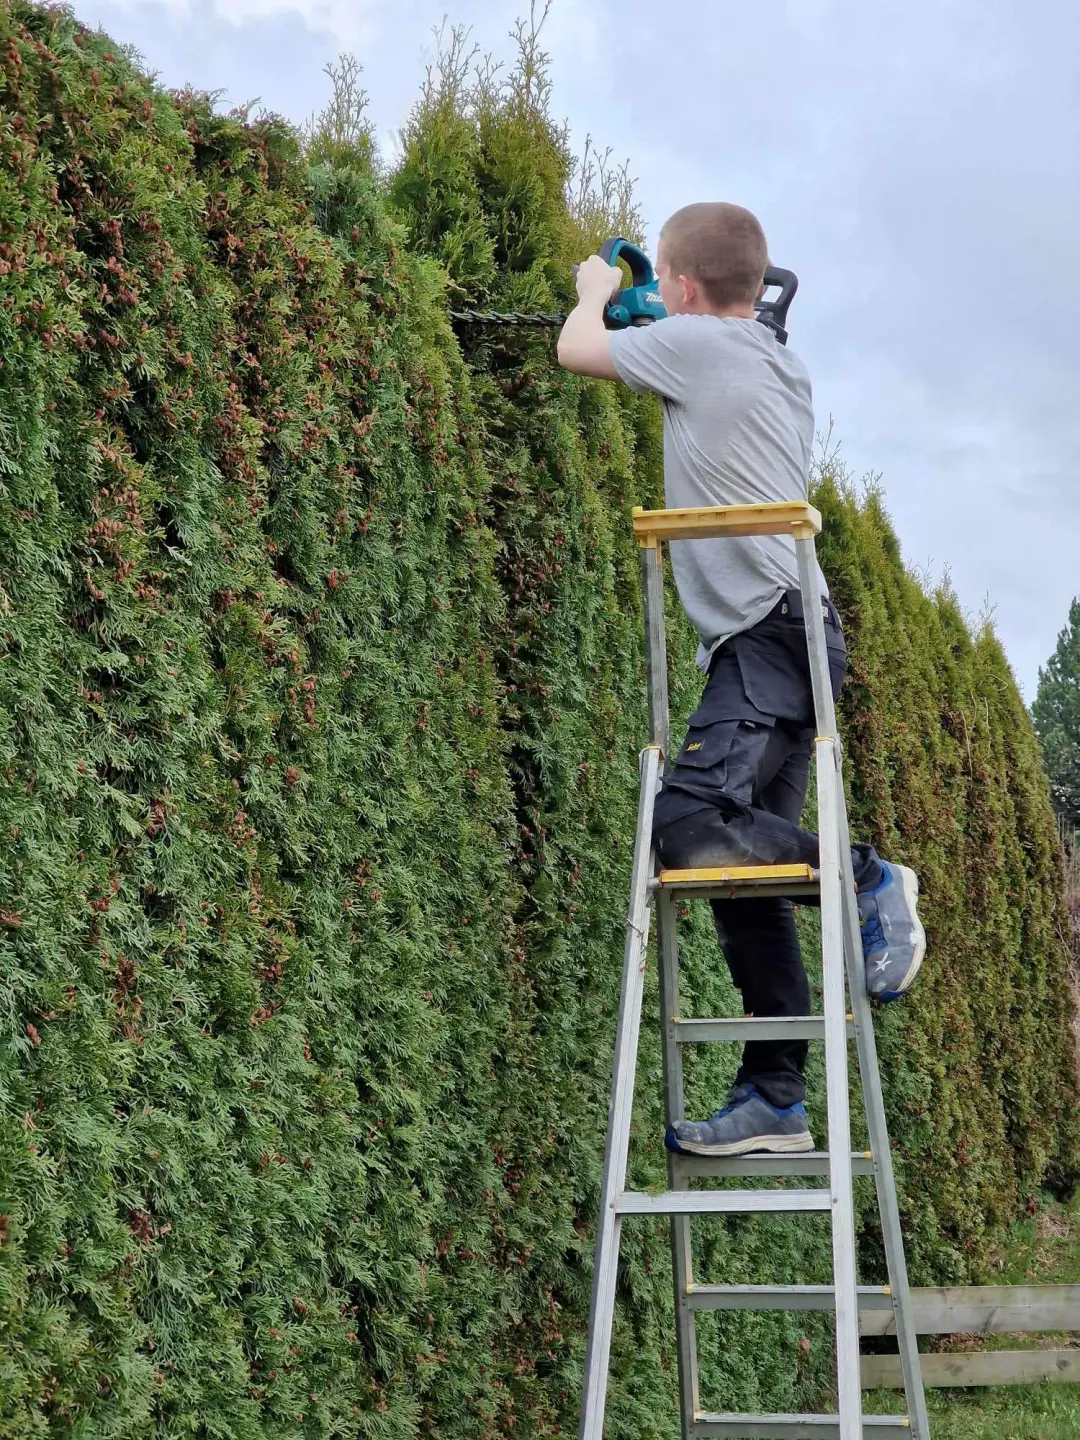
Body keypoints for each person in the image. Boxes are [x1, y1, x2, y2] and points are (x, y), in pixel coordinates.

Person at [556, 202, 925, 1158]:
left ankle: (869, 879)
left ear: (679, 289)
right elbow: (703, 329)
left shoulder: (700, 348)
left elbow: (575, 351)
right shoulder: (766, 357)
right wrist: (664, 309)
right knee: (743, 873)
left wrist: (599, 293)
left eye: (665, 291)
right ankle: (775, 1094)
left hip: (765, 634)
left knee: (687, 825)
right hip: (791, 636)